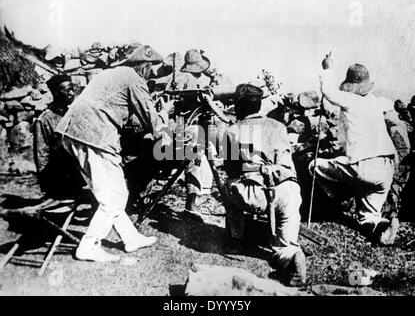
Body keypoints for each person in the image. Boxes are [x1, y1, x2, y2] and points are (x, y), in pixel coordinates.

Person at [56, 45, 169, 262]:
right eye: (152, 69)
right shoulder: (135, 79)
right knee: (114, 196)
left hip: (76, 131)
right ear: (144, 67)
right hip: (94, 136)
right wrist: (165, 112)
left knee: (111, 192)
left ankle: (131, 238)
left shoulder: (111, 73)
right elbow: (153, 124)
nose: (152, 74)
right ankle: (89, 245)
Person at [309, 52, 399, 245]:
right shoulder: (376, 101)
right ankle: (381, 228)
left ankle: (338, 198)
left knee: (314, 165)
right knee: (367, 216)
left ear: (350, 85)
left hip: (363, 166)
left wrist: (327, 68)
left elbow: (329, 92)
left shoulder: (352, 100)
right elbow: (390, 105)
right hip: (386, 169)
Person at [223, 83, 306, 286]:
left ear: (238, 106)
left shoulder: (233, 130)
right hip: (289, 190)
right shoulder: (278, 126)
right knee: (283, 245)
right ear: (259, 105)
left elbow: (231, 169)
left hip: (257, 193)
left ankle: (236, 239)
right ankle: (291, 255)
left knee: (228, 185)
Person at [179, 49, 234, 213]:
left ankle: (221, 195)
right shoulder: (188, 78)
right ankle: (193, 199)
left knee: (224, 154)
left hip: (213, 124)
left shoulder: (219, 79)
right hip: (194, 126)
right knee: (195, 157)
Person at [33, 74, 84, 199]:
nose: (72, 93)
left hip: (77, 171)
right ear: (56, 92)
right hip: (58, 175)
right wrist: (46, 182)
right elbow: (42, 155)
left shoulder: (72, 114)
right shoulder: (44, 120)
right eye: (67, 90)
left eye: (72, 89)